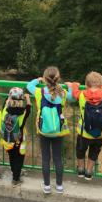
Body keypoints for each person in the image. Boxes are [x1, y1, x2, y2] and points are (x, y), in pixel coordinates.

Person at [27, 66, 70, 194]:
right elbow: (73, 95)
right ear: (58, 79)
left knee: (46, 158)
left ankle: (46, 186)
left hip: (44, 130)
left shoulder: (39, 92)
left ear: (45, 79)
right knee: (57, 158)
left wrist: (37, 80)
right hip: (59, 130)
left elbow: (29, 85)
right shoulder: (63, 93)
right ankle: (59, 186)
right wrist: (70, 85)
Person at [66, 72, 102, 181]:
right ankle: (89, 171)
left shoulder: (82, 95)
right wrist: (100, 85)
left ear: (86, 84)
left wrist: (73, 85)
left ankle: (81, 169)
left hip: (84, 132)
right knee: (95, 151)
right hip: (101, 133)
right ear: (101, 84)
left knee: (81, 150)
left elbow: (74, 92)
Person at [0, 87, 32, 187]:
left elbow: (5, 103)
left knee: (12, 156)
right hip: (19, 140)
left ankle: (14, 172)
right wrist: (27, 98)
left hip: (8, 139)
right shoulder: (23, 113)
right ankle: (16, 178)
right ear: (21, 99)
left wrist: (9, 97)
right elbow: (29, 107)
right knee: (19, 158)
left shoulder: (5, 110)